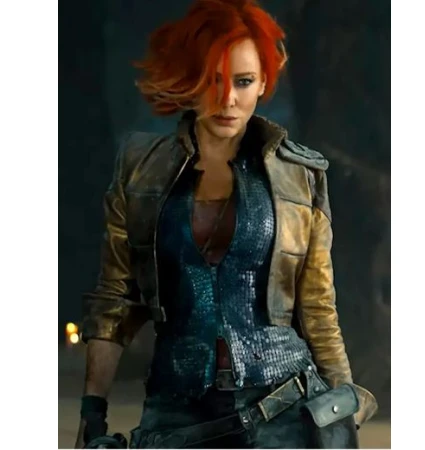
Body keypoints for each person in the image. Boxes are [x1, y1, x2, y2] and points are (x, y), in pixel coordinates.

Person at [75, 0, 378, 448]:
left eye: (243, 81)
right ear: (189, 81)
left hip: (286, 409)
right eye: (213, 80)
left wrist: (342, 408)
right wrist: (92, 410)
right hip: (177, 411)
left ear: (263, 83)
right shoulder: (142, 171)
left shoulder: (299, 175)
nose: (228, 99)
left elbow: (317, 307)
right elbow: (115, 300)